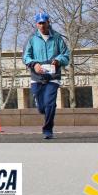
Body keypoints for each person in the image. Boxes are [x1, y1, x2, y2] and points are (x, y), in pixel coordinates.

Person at [22, 12, 71, 140]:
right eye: (40, 23)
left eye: (44, 22)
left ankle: (48, 130)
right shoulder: (32, 39)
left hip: (53, 77)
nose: (42, 25)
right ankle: (43, 107)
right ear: (36, 24)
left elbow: (66, 55)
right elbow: (26, 56)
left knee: (50, 103)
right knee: (42, 108)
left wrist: (58, 60)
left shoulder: (57, 38)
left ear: (48, 22)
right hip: (37, 77)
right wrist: (34, 64)